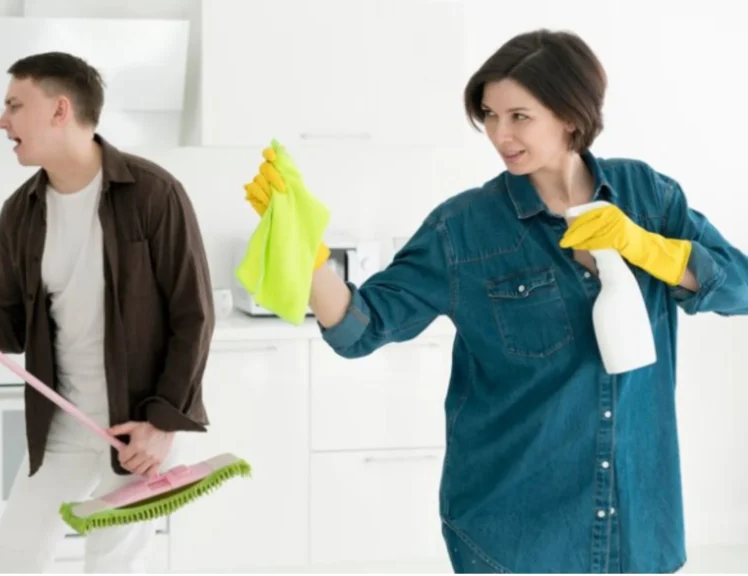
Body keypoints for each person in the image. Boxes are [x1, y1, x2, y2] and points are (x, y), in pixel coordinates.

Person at [245, 29, 748, 573]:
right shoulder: (463, 228)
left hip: (638, 520)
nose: (498, 134)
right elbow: (360, 331)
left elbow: (739, 289)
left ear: (570, 115)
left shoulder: (649, 196)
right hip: (514, 531)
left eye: (519, 116)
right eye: (489, 115)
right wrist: (308, 256)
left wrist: (647, 247)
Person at [0, 51, 214, 573]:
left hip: (136, 427)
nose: (1, 121)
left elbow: (194, 314)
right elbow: (7, 324)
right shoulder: (21, 212)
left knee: (115, 560)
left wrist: (162, 422)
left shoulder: (153, 193)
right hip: (60, 422)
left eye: (14, 105)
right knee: (13, 554)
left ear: (59, 110)